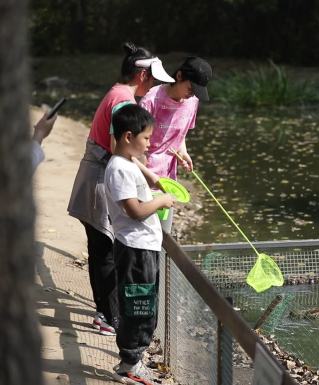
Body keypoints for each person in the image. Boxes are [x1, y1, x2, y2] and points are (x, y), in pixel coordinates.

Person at [67, 42, 175, 336]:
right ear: (142, 76)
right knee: (106, 252)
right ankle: (109, 316)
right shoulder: (124, 101)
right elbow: (118, 148)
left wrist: (149, 175)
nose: (154, 88)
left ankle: (105, 312)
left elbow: (120, 148)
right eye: (153, 81)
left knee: (99, 249)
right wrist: (151, 181)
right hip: (99, 179)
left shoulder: (119, 92)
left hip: (94, 174)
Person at [104, 104, 174, 384]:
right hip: (136, 249)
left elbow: (135, 164)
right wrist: (160, 201)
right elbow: (134, 210)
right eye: (146, 138)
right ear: (128, 137)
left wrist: (154, 178)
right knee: (139, 306)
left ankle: (133, 359)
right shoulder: (119, 169)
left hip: (142, 247)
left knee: (143, 303)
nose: (150, 143)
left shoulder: (126, 161)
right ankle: (130, 363)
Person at [139, 56, 212, 233]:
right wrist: (147, 176)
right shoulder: (151, 100)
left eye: (196, 92)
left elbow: (181, 133)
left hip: (168, 180)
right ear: (179, 76)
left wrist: (183, 151)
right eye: (190, 88)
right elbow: (133, 147)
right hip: (144, 175)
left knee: (165, 234)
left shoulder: (192, 102)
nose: (192, 94)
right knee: (143, 233)